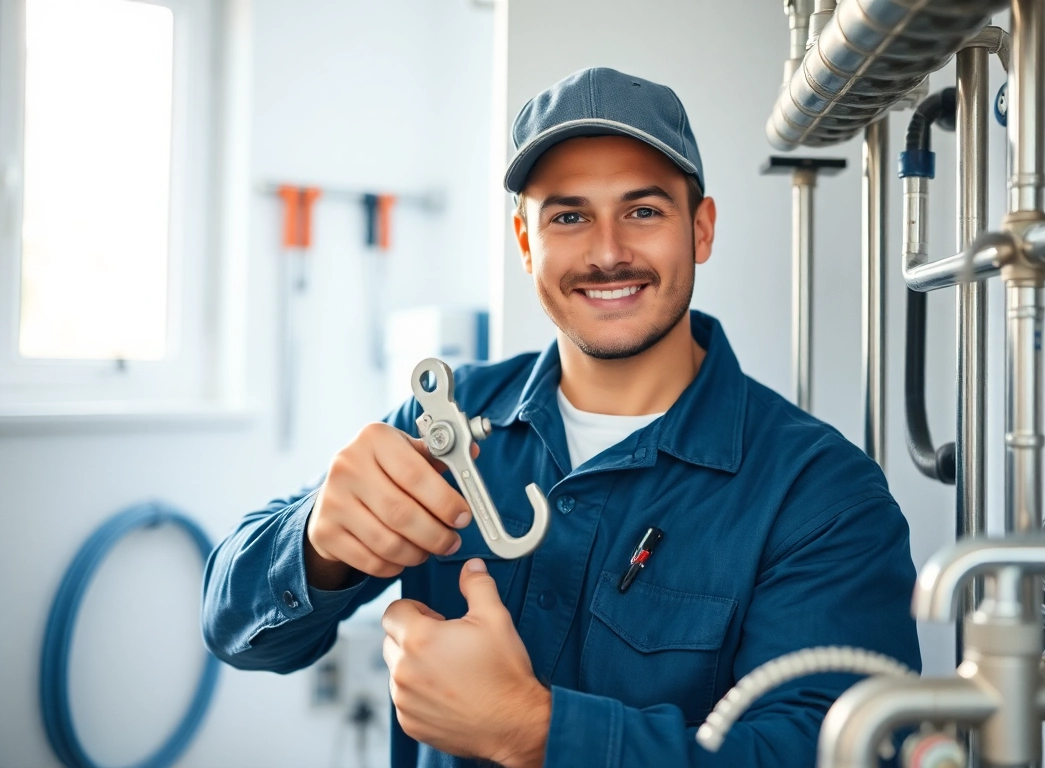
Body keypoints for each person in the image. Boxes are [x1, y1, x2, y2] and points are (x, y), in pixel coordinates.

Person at [202, 66, 920, 768]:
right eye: (569, 216)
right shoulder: (446, 422)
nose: (608, 253)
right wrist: (319, 540)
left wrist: (536, 734)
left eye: (643, 210)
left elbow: (842, 750)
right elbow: (237, 632)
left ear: (700, 229)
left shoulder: (821, 495)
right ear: (525, 241)